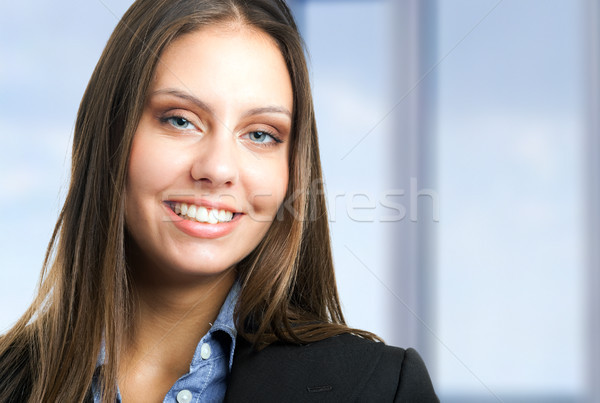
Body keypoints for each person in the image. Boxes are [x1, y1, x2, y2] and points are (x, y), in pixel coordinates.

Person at [0, 0, 438, 401]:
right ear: (111, 135)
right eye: (180, 120)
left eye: (261, 134)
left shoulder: (381, 390)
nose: (219, 168)